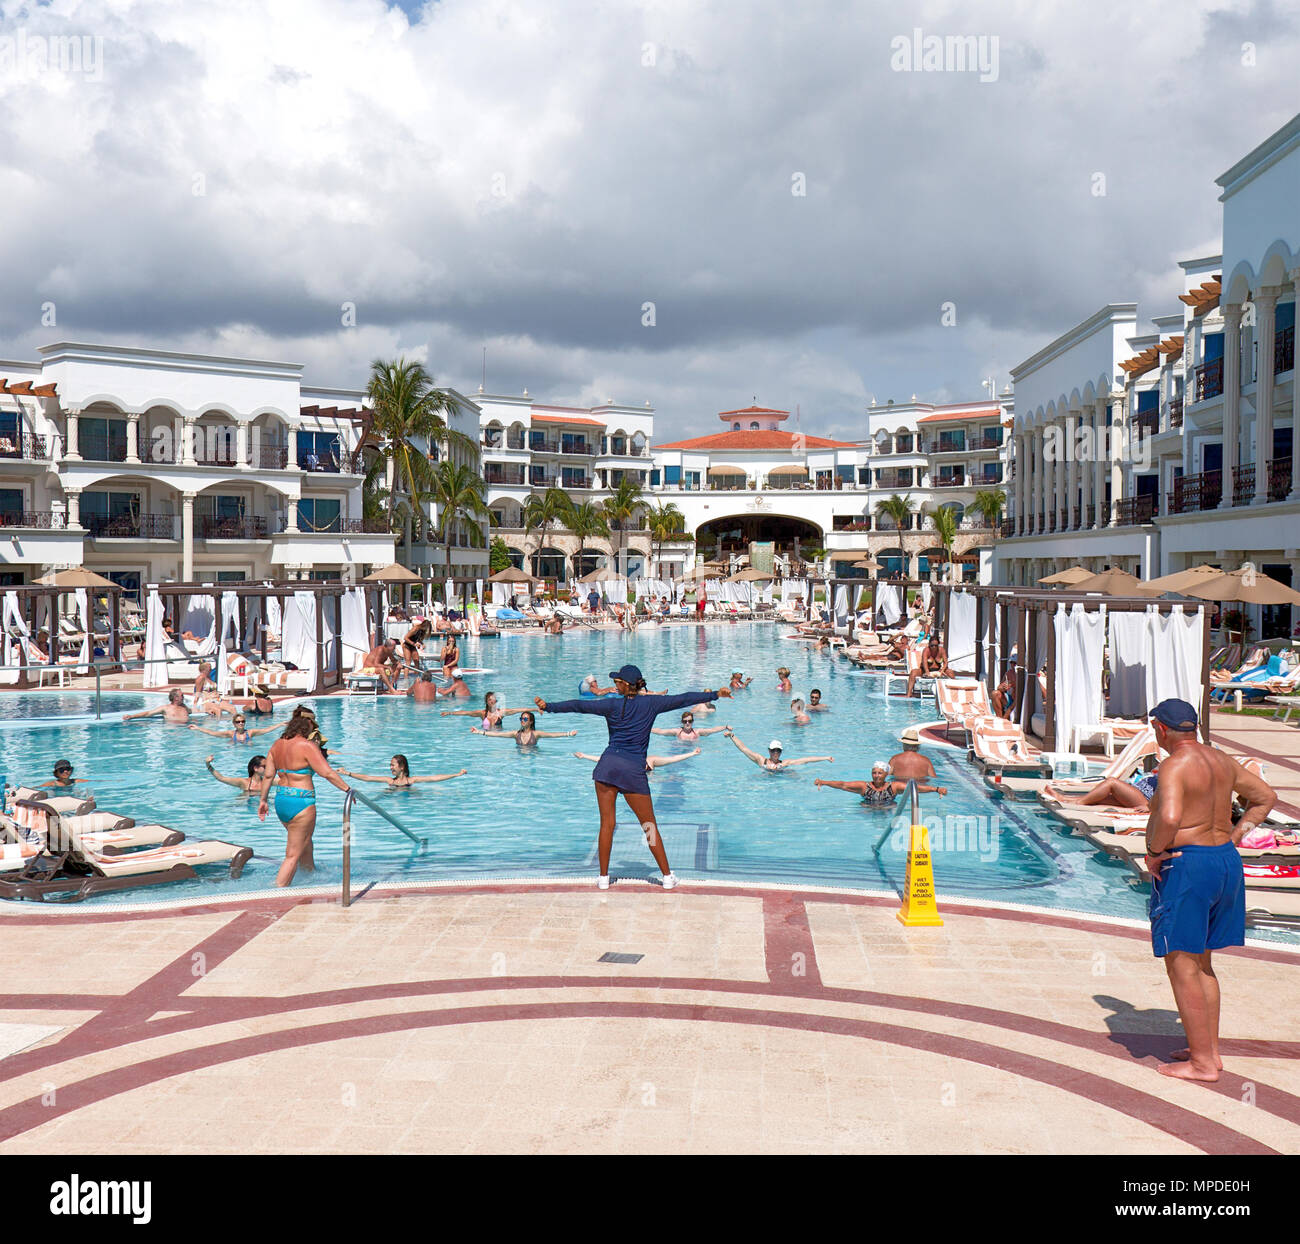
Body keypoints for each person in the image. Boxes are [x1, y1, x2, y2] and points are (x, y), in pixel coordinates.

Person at [1142, 698, 1276, 1081]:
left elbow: (1170, 816)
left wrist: (1154, 852)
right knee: (1202, 960)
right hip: (1224, 862)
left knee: (1181, 962)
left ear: (1161, 729)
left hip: (1188, 865)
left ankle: (1201, 1064)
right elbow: (1266, 798)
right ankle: (1209, 1052)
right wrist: (1236, 835)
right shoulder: (1222, 760)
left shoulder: (1174, 765)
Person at [534, 664, 732, 889]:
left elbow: (579, 706)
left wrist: (549, 707)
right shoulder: (651, 704)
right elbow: (683, 699)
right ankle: (667, 877)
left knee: (607, 825)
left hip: (607, 767)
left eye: (617, 682)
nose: (614, 685)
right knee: (649, 826)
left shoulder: (611, 705)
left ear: (625, 685)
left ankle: (603, 878)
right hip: (632, 771)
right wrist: (715, 694)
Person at [256, 715, 354, 886]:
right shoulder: (306, 746)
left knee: (305, 842)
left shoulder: (277, 745)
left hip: (281, 800)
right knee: (292, 855)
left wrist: (263, 800)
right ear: (305, 730)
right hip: (301, 802)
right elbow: (327, 773)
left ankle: (309, 876)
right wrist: (348, 789)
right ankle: (277, 890)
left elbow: (269, 776)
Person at [815, 762, 946, 805]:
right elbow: (843, 784)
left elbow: (915, 788)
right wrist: (824, 782)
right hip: (868, 810)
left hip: (888, 810)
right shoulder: (864, 786)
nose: (876, 776)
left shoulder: (894, 787)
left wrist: (936, 789)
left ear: (886, 774)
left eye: (879, 773)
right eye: (874, 773)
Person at [725, 730, 831, 773]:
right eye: (773, 750)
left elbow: (806, 760)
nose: (776, 753)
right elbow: (744, 749)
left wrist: (825, 758)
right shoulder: (761, 760)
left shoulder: (784, 763)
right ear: (769, 751)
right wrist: (732, 736)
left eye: (778, 751)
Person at [338, 755, 468, 788]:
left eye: (392, 765)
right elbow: (368, 778)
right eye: (390, 765)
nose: (390, 768)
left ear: (402, 767)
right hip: (393, 793)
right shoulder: (390, 781)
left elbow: (434, 778)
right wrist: (347, 773)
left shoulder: (412, 781)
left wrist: (456, 774)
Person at [471, 710, 577, 747]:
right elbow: (498, 734)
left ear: (531, 722)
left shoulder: (536, 734)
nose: (522, 720)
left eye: (525, 719)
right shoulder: (516, 734)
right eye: (521, 718)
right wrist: (479, 732)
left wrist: (568, 734)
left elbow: (552, 735)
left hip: (533, 758)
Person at [574, 748, 701, 773]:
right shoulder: (625, 760)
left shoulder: (650, 760)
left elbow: (672, 759)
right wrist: (584, 756)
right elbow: (602, 760)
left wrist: (692, 753)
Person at [442, 691, 526, 729]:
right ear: (486, 702)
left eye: (493, 699)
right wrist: (450, 713)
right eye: (490, 700)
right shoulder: (482, 713)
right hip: (485, 739)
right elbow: (466, 713)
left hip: (499, 738)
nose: (492, 701)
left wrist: (533, 709)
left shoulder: (501, 712)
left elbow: (518, 710)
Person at [189, 711, 278, 743]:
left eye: (243, 721)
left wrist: (280, 724)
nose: (241, 723)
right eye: (238, 722)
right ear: (234, 724)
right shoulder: (231, 734)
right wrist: (198, 728)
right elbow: (213, 733)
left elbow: (266, 730)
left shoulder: (250, 732)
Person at [651, 711, 728, 743]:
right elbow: (660, 731)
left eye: (690, 721)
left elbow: (712, 730)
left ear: (693, 721)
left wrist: (725, 727)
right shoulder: (677, 732)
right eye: (685, 721)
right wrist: (646, 728)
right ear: (682, 722)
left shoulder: (697, 732)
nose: (687, 723)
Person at [124, 688, 191, 724]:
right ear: (176, 698)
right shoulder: (165, 708)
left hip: (186, 730)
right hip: (173, 732)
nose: (183, 697)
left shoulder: (184, 707)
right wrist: (131, 716)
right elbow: (148, 713)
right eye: (182, 696)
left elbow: (191, 711)